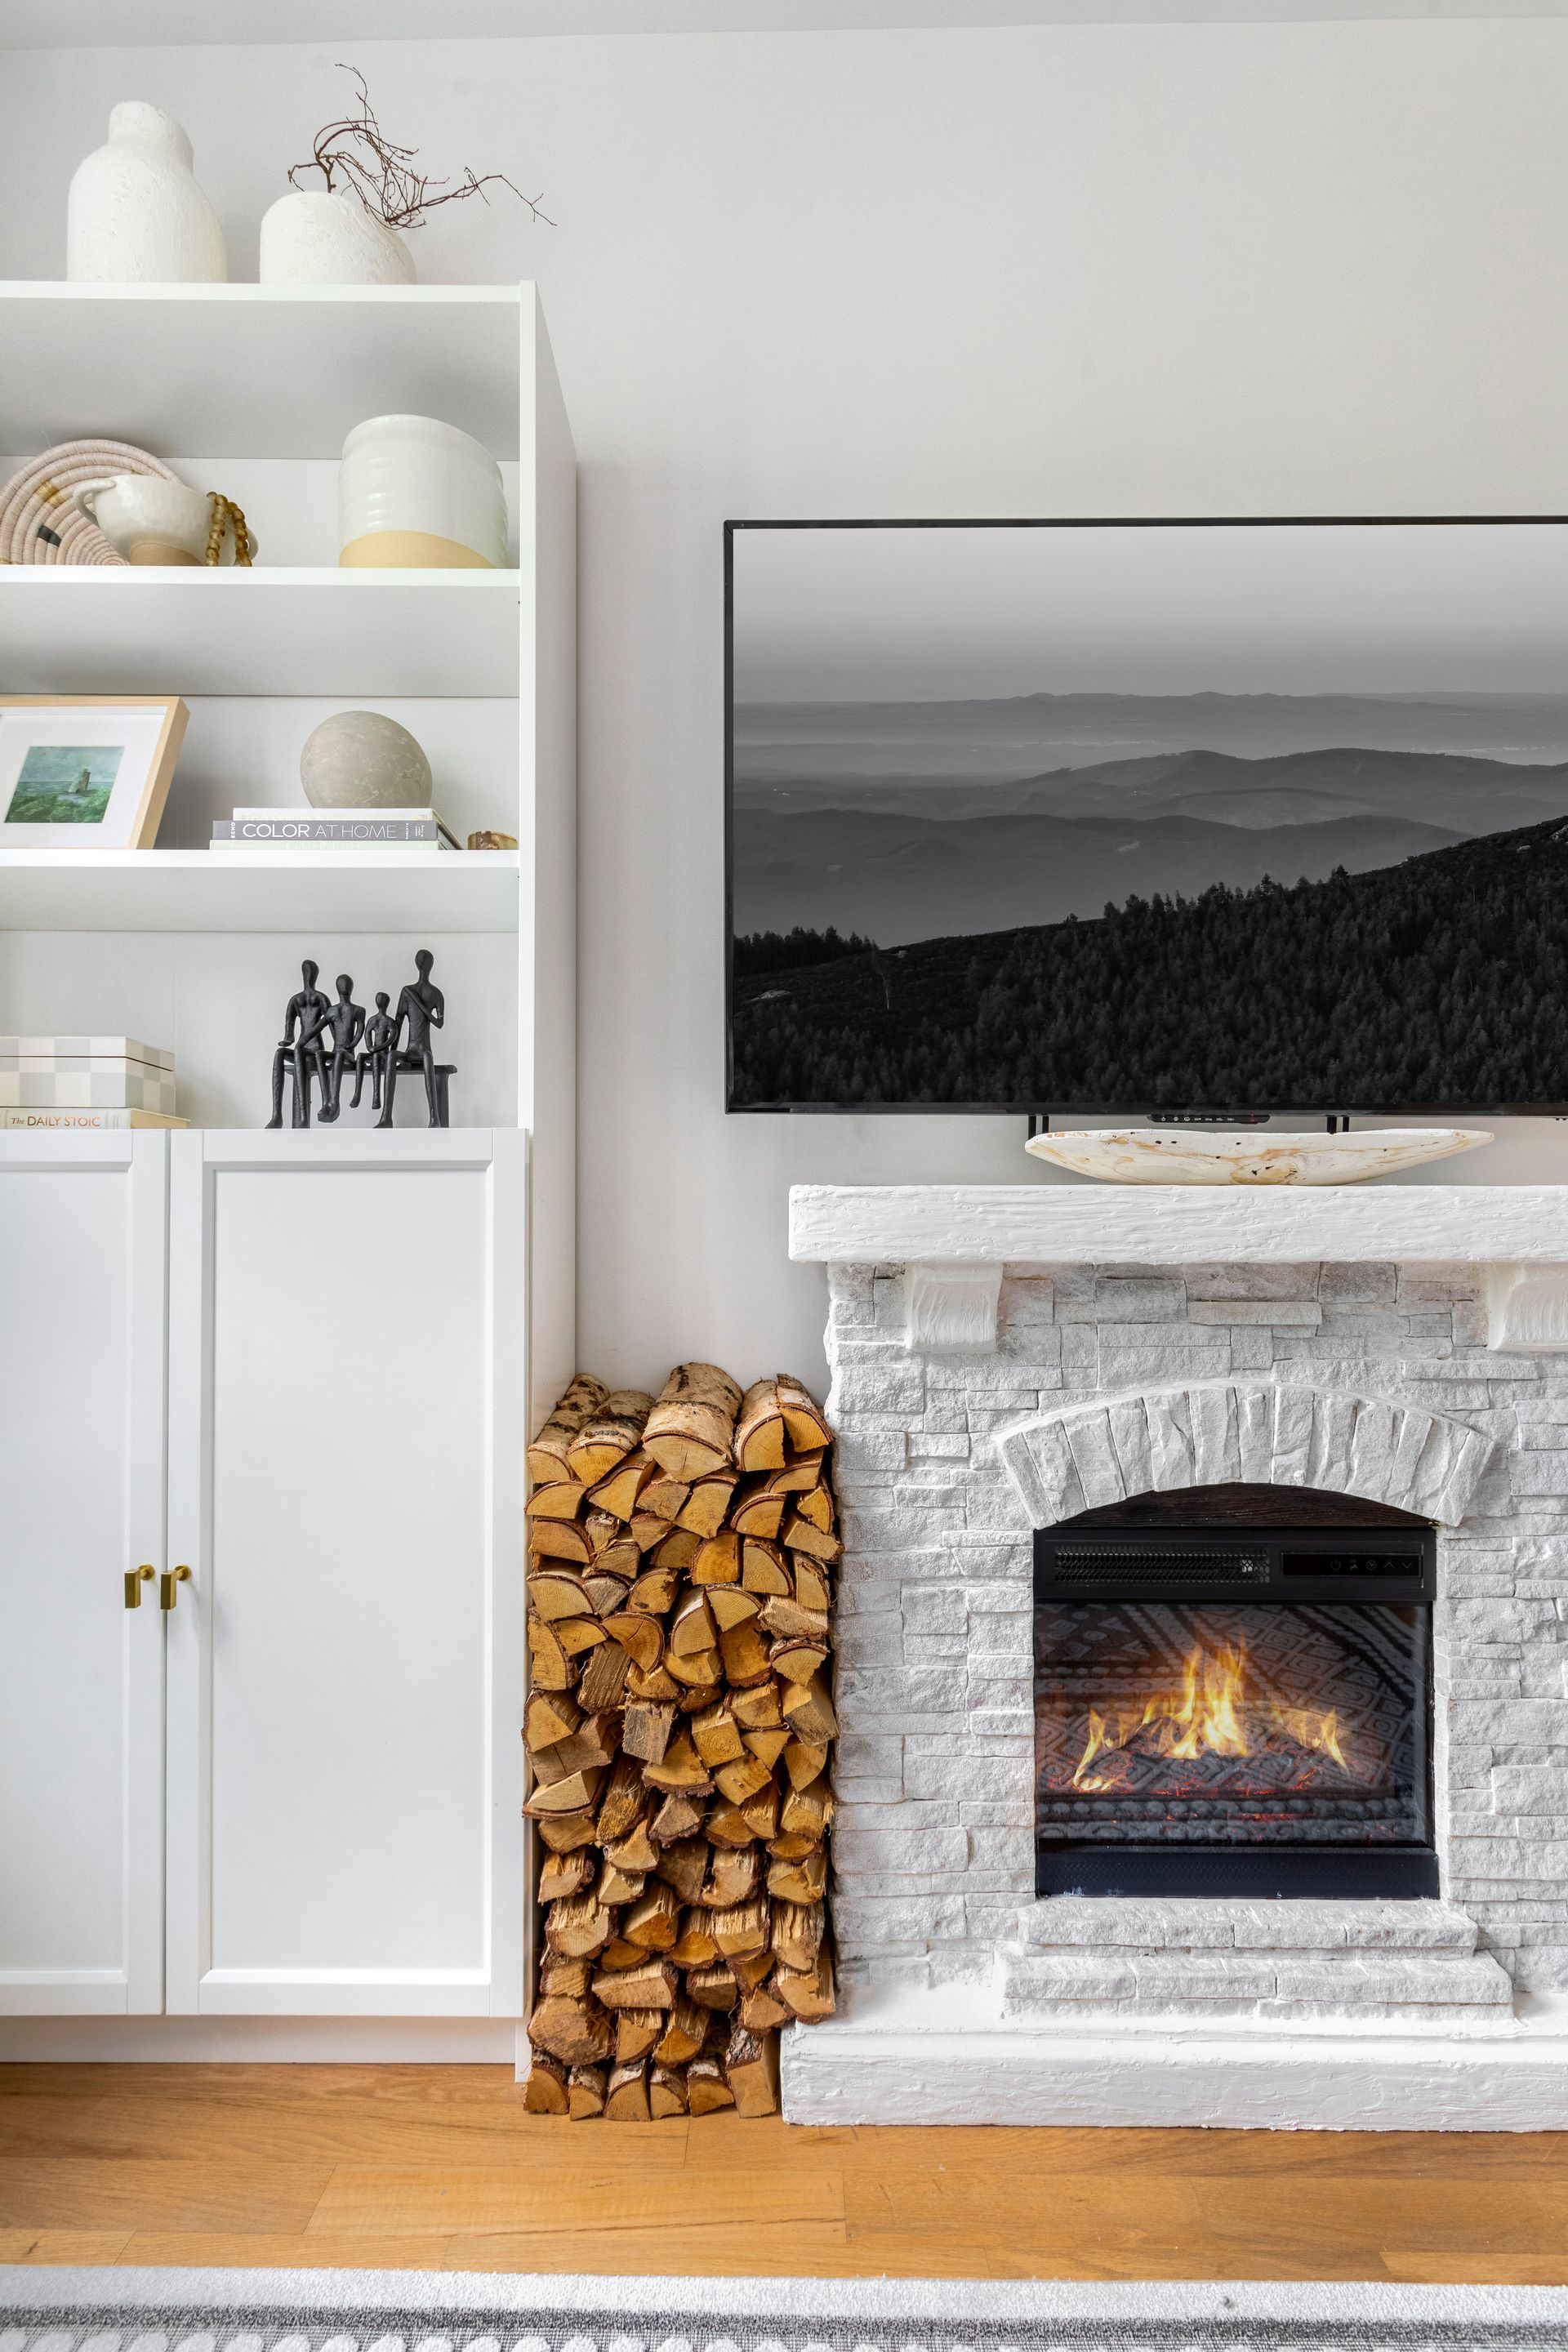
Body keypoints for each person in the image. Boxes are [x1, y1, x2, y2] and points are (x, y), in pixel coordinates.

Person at [376, 948, 446, 1129]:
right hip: (410, 1050)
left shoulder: (435, 994)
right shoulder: (407, 992)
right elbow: (398, 1023)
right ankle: (386, 1118)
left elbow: (439, 1023)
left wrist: (425, 1011)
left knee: (428, 1058)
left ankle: (434, 1119)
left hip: (424, 1050)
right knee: (392, 1057)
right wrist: (391, 1053)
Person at [265, 958, 332, 1128]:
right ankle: (276, 1116)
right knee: (280, 1053)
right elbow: (289, 1028)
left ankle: (303, 1116)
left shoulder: (321, 998)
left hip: (315, 1048)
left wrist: (338, 1048)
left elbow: (333, 1023)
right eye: (306, 972)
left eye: (310, 972)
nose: (308, 976)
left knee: (298, 1051)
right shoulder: (295, 1000)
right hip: (300, 1047)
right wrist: (287, 1039)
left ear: (315, 975)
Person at [314, 973, 366, 1123]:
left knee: (340, 1055)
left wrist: (353, 1044)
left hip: (347, 1054)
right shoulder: (332, 1010)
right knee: (319, 1055)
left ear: (351, 988)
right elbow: (317, 1028)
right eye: (342, 984)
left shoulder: (358, 1010)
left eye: (347, 984)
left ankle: (334, 1102)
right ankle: (326, 1101)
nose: (344, 987)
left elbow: (360, 1030)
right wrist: (302, 1042)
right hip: (336, 1052)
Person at [350, 991, 397, 1113]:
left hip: (384, 1054)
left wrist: (377, 1048)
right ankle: (357, 1095)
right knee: (360, 1056)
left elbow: (392, 1038)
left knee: (376, 1056)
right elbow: (367, 1034)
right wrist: (369, 1047)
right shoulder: (372, 1020)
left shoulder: (389, 1021)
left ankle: (376, 1097)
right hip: (374, 1051)